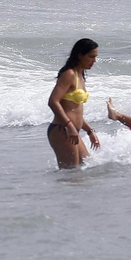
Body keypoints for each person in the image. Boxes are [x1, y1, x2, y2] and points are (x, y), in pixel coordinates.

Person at [47, 38, 101, 168]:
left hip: (72, 131)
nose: (94, 61)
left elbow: (75, 110)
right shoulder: (69, 74)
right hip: (62, 129)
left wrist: (89, 131)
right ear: (80, 55)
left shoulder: (81, 75)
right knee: (70, 175)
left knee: (86, 166)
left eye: (95, 57)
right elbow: (53, 101)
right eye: (91, 57)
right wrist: (69, 125)